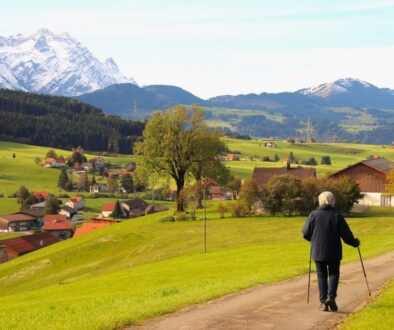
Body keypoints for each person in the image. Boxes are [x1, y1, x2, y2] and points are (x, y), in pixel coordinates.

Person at [302, 191, 360, 312]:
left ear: (320, 201)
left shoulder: (313, 215)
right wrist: (354, 242)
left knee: (321, 275)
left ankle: (324, 302)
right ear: (332, 201)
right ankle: (331, 297)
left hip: (318, 251)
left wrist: (314, 240)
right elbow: (346, 235)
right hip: (334, 251)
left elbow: (306, 233)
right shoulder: (336, 215)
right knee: (334, 273)